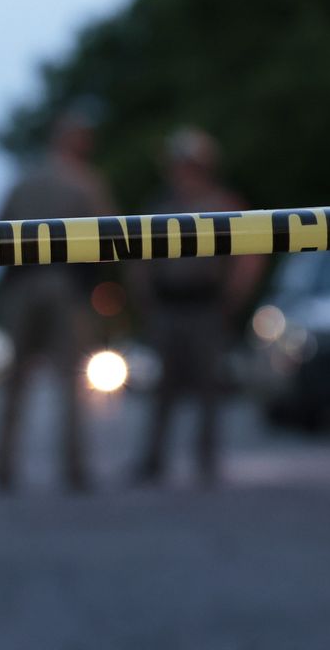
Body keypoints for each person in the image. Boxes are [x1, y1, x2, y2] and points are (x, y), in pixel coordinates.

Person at [0, 105, 114, 493]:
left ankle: (3, 466)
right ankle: (74, 467)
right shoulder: (86, 182)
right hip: (65, 286)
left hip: (23, 285)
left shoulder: (23, 181)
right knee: (69, 382)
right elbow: (108, 237)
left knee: (16, 383)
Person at [132, 127, 264, 488]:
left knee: (209, 385)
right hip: (169, 304)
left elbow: (249, 256)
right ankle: (153, 459)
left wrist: (232, 297)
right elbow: (139, 258)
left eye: (186, 162)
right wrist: (145, 296)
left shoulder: (224, 205)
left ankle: (206, 461)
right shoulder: (161, 206)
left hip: (206, 304)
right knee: (163, 387)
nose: (180, 170)